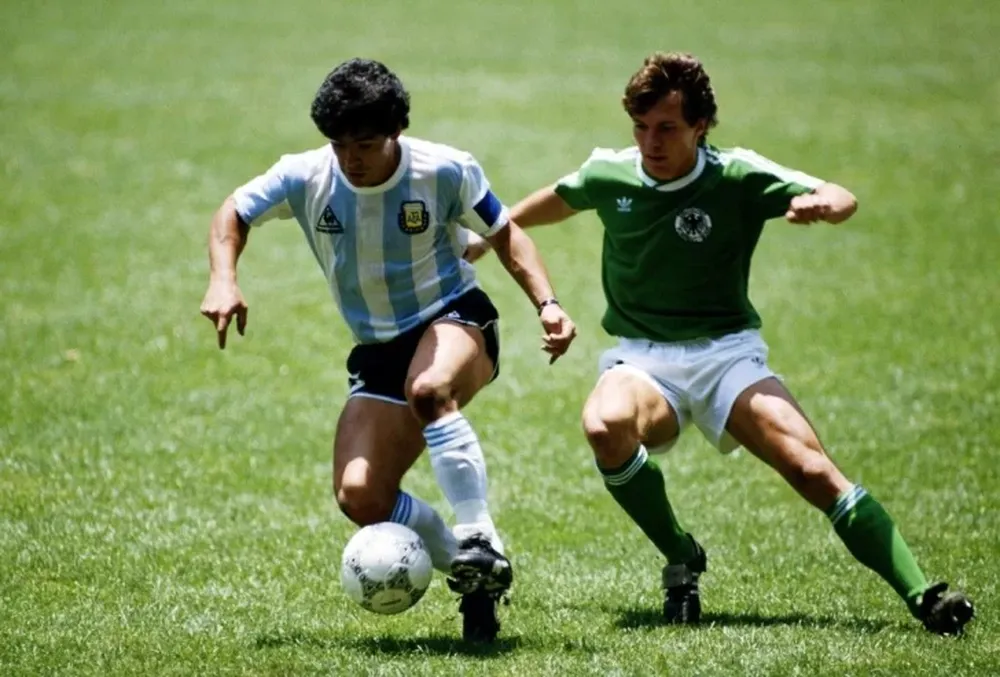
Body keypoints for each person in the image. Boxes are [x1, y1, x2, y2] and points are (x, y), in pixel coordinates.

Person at [465, 51, 974, 636]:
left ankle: (924, 596)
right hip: (643, 359)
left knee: (811, 470)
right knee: (604, 426)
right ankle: (682, 555)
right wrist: (489, 238)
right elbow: (558, 197)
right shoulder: (611, 172)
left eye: (667, 129)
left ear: (700, 126)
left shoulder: (736, 175)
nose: (650, 142)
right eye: (641, 126)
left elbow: (840, 194)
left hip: (728, 354)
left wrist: (825, 205)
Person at [199, 58, 577, 643]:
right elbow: (233, 212)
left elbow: (506, 235)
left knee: (429, 389)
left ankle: (477, 533)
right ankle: (472, 570)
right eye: (339, 144)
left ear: (396, 132)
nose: (351, 158)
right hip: (378, 348)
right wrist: (224, 277)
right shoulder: (304, 176)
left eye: (366, 144)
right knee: (360, 495)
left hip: (455, 318)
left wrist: (547, 304)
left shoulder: (445, 170)